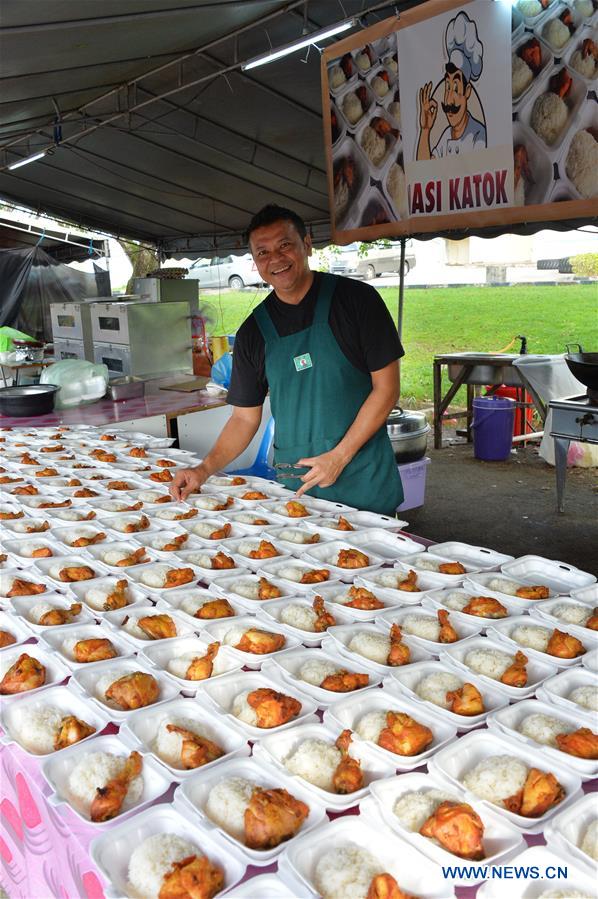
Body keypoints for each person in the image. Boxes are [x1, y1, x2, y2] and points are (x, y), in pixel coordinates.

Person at [170, 204, 404, 515]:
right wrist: (203, 469)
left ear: (307, 245)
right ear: (255, 262)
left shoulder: (357, 301)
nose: (276, 259)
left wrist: (339, 457)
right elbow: (244, 419)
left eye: (284, 245)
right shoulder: (254, 332)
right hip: (299, 489)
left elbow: (386, 388)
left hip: (363, 479)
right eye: (263, 252)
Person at [416, 10, 486, 160]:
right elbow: (424, 170)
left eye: (455, 88)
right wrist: (425, 129)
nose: (448, 99)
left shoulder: (479, 136)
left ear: (468, 91)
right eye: (448, 87)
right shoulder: (446, 136)